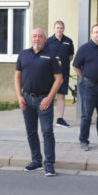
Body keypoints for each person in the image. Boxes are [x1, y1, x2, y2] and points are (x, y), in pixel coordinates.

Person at [15, 28, 62, 177]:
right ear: (31, 38)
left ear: (44, 39)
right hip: (26, 99)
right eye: (34, 36)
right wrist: (19, 96)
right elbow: (17, 77)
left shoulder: (51, 55)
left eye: (40, 36)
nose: (37, 39)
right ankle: (36, 161)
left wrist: (49, 98)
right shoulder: (23, 54)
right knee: (31, 132)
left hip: (44, 99)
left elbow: (59, 79)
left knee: (47, 131)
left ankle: (49, 163)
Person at [45, 20, 74, 128]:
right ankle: (47, 118)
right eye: (57, 28)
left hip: (63, 73)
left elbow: (71, 56)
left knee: (61, 95)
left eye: (61, 28)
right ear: (54, 29)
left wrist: (63, 65)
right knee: (49, 95)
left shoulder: (68, 41)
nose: (59, 30)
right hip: (50, 73)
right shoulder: (48, 41)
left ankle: (60, 119)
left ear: (64, 29)